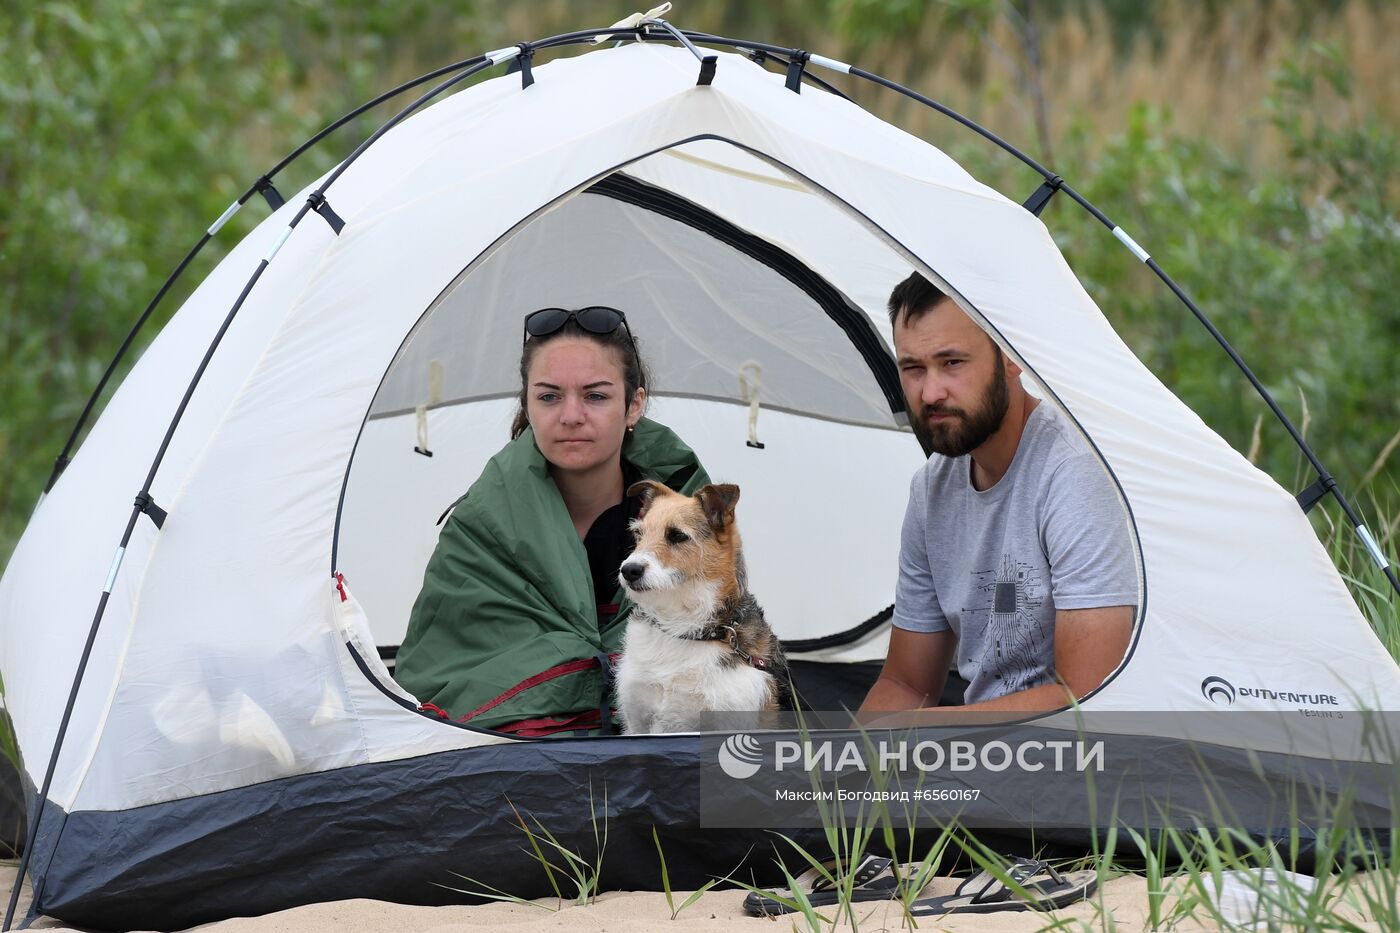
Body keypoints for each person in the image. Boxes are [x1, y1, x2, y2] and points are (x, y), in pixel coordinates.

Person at [395, 306, 709, 737]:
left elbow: (720, 644)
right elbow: (445, 675)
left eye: (596, 396)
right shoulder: (481, 527)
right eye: (549, 396)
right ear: (527, 403)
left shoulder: (692, 521)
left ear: (633, 405)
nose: (571, 416)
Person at [861, 273, 1137, 715]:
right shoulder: (932, 488)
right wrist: (842, 772)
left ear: (1012, 356)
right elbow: (907, 684)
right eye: (913, 368)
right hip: (980, 753)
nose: (930, 392)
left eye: (952, 363)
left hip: (1078, 761)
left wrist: (927, 734)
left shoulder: (1074, 473)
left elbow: (1088, 697)